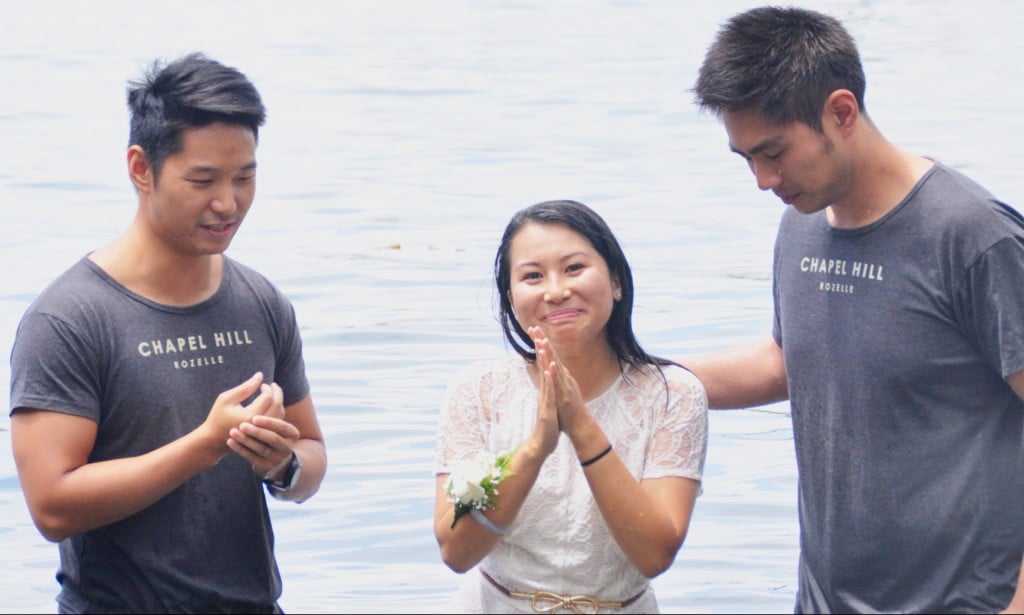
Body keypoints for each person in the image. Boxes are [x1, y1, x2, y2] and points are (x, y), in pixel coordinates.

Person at [688, 6, 1024, 613]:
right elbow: (794, 361)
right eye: (746, 159)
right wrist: (632, 377)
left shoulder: (972, 237)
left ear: (841, 112)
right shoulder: (801, 223)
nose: (763, 179)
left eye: (774, 152)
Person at [8, 52, 327, 613]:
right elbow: (52, 508)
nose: (228, 203)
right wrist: (204, 446)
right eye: (202, 180)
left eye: (245, 177)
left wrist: (281, 465)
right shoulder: (70, 319)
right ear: (140, 168)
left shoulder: (262, 301)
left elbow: (310, 455)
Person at [432, 199, 708, 613]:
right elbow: (456, 553)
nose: (557, 290)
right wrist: (534, 450)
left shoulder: (674, 394)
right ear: (510, 297)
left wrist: (580, 425)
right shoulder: (477, 391)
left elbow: (654, 554)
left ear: (616, 281)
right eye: (532, 276)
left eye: (574, 268)